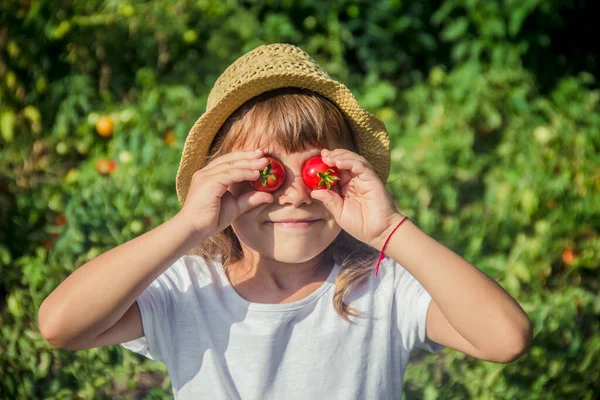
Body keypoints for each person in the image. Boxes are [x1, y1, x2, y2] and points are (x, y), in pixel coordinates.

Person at [38, 43, 533, 399]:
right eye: (267, 174)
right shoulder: (184, 292)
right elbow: (61, 325)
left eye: (319, 172)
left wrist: (388, 232)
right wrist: (189, 225)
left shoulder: (383, 288)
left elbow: (506, 339)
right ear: (222, 182)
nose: (296, 194)